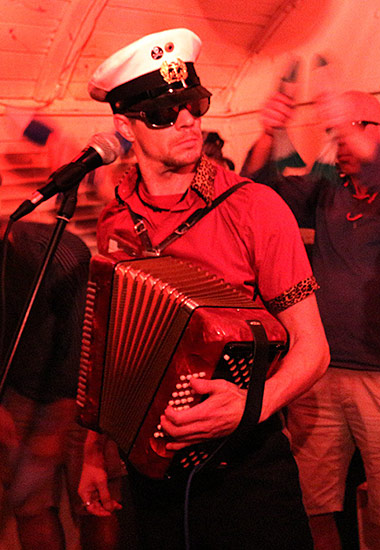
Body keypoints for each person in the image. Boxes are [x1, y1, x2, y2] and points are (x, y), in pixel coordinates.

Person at [77, 28, 329, 550]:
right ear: (124, 126)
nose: (188, 120)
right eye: (163, 113)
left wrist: (252, 405)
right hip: (148, 469)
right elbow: (109, 350)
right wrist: (92, 452)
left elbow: (314, 349)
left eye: (194, 104)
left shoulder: (255, 208)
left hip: (246, 471)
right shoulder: (114, 220)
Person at [243, 88, 380, 549]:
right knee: (313, 510)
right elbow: (257, 194)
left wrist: (372, 155)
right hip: (318, 373)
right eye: (335, 133)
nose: (343, 142)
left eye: (355, 129)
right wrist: (268, 134)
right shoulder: (328, 189)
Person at [0, 216, 90, 549]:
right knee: (30, 507)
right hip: (21, 389)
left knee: (94, 504)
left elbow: (84, 347)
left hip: (84, 392)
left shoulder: (59, 253)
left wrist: (56, 427)